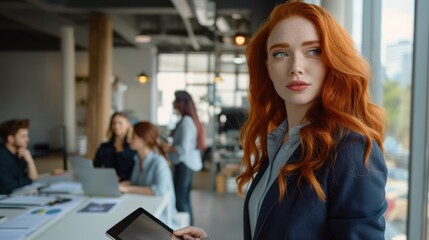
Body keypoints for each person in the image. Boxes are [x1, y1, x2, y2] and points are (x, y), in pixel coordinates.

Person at [172, 1, 387, 239]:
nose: (296, 67)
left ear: (332, 61)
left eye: (313, 51)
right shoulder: (280, 142)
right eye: (280, 53)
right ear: (268, 67)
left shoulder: (351, 150)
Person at [119, 121, 179, 229]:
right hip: (145, 211)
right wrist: (122, 185)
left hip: (162, 219)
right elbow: (136, 183)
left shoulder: (159, 162)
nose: (128, 140)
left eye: (133, 136)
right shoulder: (137, 160)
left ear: (143, 139)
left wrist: (128, 189)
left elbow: (160, 190)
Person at [165, 90, 206, 226]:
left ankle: (187, 231)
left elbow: (183, 149)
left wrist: (166, 147)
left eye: (176, 100)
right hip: (186, 163)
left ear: (182, 103)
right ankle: (190, 230)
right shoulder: (185, 119)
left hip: (185, 164)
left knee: (181, 200)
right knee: (184, 199)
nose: (173, 103)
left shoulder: (187, 121)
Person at [93, 112, 135, 182]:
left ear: (128, 125)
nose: (116, 126)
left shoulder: (133, 147)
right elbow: (96, 166)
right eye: (113, 123)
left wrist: (120, 178)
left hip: (127, 185)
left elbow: (136, 171)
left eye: (120, 123)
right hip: (106, 182)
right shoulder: (104, 147)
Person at [0, 119, 38, 194]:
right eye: (23, 136)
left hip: (16, 194)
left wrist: (30, 160)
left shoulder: (22, 153)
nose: (27, 140)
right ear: (10, 139)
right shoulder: (1, 156)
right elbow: (9, 186)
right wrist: (27, 180)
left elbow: (33, 177)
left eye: (27, 136)